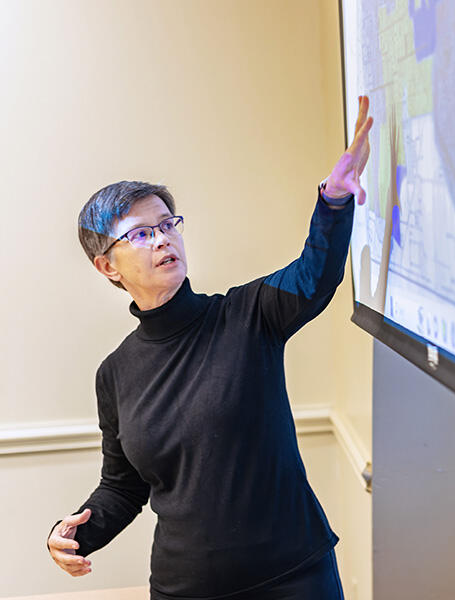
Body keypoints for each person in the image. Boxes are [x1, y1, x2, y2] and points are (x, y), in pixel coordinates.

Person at [46, 96, 373, 600]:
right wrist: (74, 535)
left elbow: (315, 275)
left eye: (167, 224)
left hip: (294, 576)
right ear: (107, 266)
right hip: (187, 588)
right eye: (140, 233)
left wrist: (333, 199)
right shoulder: (114, 374)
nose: (161, 240)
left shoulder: (247, 315)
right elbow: (123, 485)